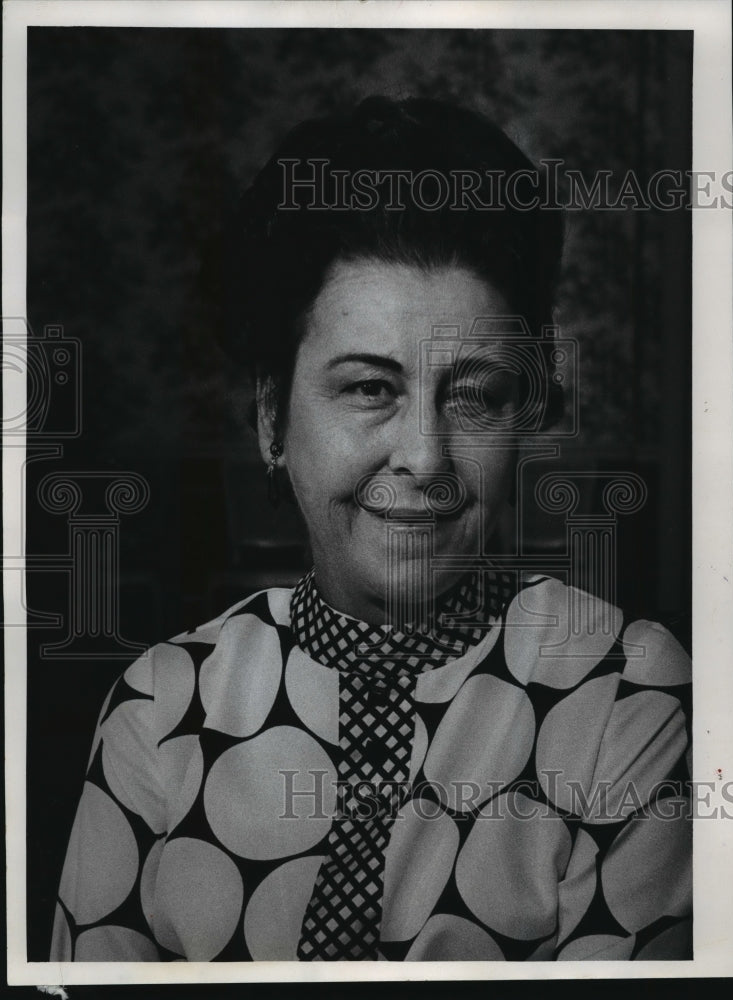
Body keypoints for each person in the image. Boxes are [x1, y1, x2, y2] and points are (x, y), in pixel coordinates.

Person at [51, 96, 691, 962]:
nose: (425, 457)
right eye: (368, 388)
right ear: (272, 418)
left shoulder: (630, 699)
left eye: (476, 394)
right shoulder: (159, 706)